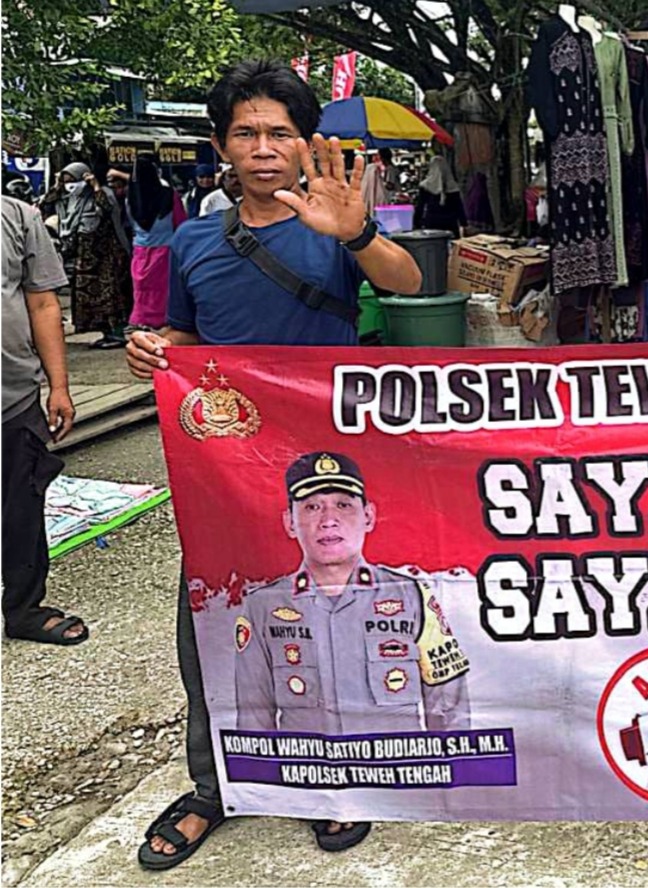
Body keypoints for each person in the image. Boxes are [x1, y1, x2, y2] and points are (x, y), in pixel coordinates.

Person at [126, 59, 422, 871]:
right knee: (213, 614)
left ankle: (334, 773)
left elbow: (407, 282)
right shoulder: (193, 240)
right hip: (228, 465)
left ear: (303, 143)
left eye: (280, 133)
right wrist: (152, 347)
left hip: (327, 464)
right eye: (246, 133)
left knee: (334, 612)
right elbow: (186, 337)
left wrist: (355, 234)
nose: (263, 148)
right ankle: (214, 785)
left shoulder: (334, 224)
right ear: (222, 144)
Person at [235, 452, 470, 735]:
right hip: (309, 763)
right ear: (290, 522)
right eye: (312, 507)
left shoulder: (412, 596)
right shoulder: (263, 606)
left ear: (368, 516)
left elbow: (449, 711)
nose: (328, 520)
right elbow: (253, 720)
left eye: (343, 505)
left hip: (397, 763)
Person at [2, 195, 87, 645]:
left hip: (11, 395)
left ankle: (23, 608)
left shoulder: (18, 216)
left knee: (22, 506)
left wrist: (59, 385)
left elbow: (42, 304)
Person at [54, 162, 133, 348]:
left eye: (73, 180)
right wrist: (57, 185)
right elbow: (47, 202)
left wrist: (95, 186)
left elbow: (107, 208)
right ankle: (106, 334)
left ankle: (117, 335)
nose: (70, 185)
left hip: (107, 258)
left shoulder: (102, 194)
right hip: (85, 260)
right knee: (89, 301)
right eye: (66, 181)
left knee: (111, 299)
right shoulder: (72, 201)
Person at [127, 154, 186, 330]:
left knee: (142, 290)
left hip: (140, 252)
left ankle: (142, 319)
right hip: (165, 250)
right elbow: (180, 222)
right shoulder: (169, 195)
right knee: (164, 289)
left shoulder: (131, 198)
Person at [414, 153, 463, 234]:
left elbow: (420, 206)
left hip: (432, 222)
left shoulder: (425, 186)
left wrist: (416, 223)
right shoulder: (453, 186)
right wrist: (464, 223)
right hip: (450, 224)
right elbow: (459, 207)